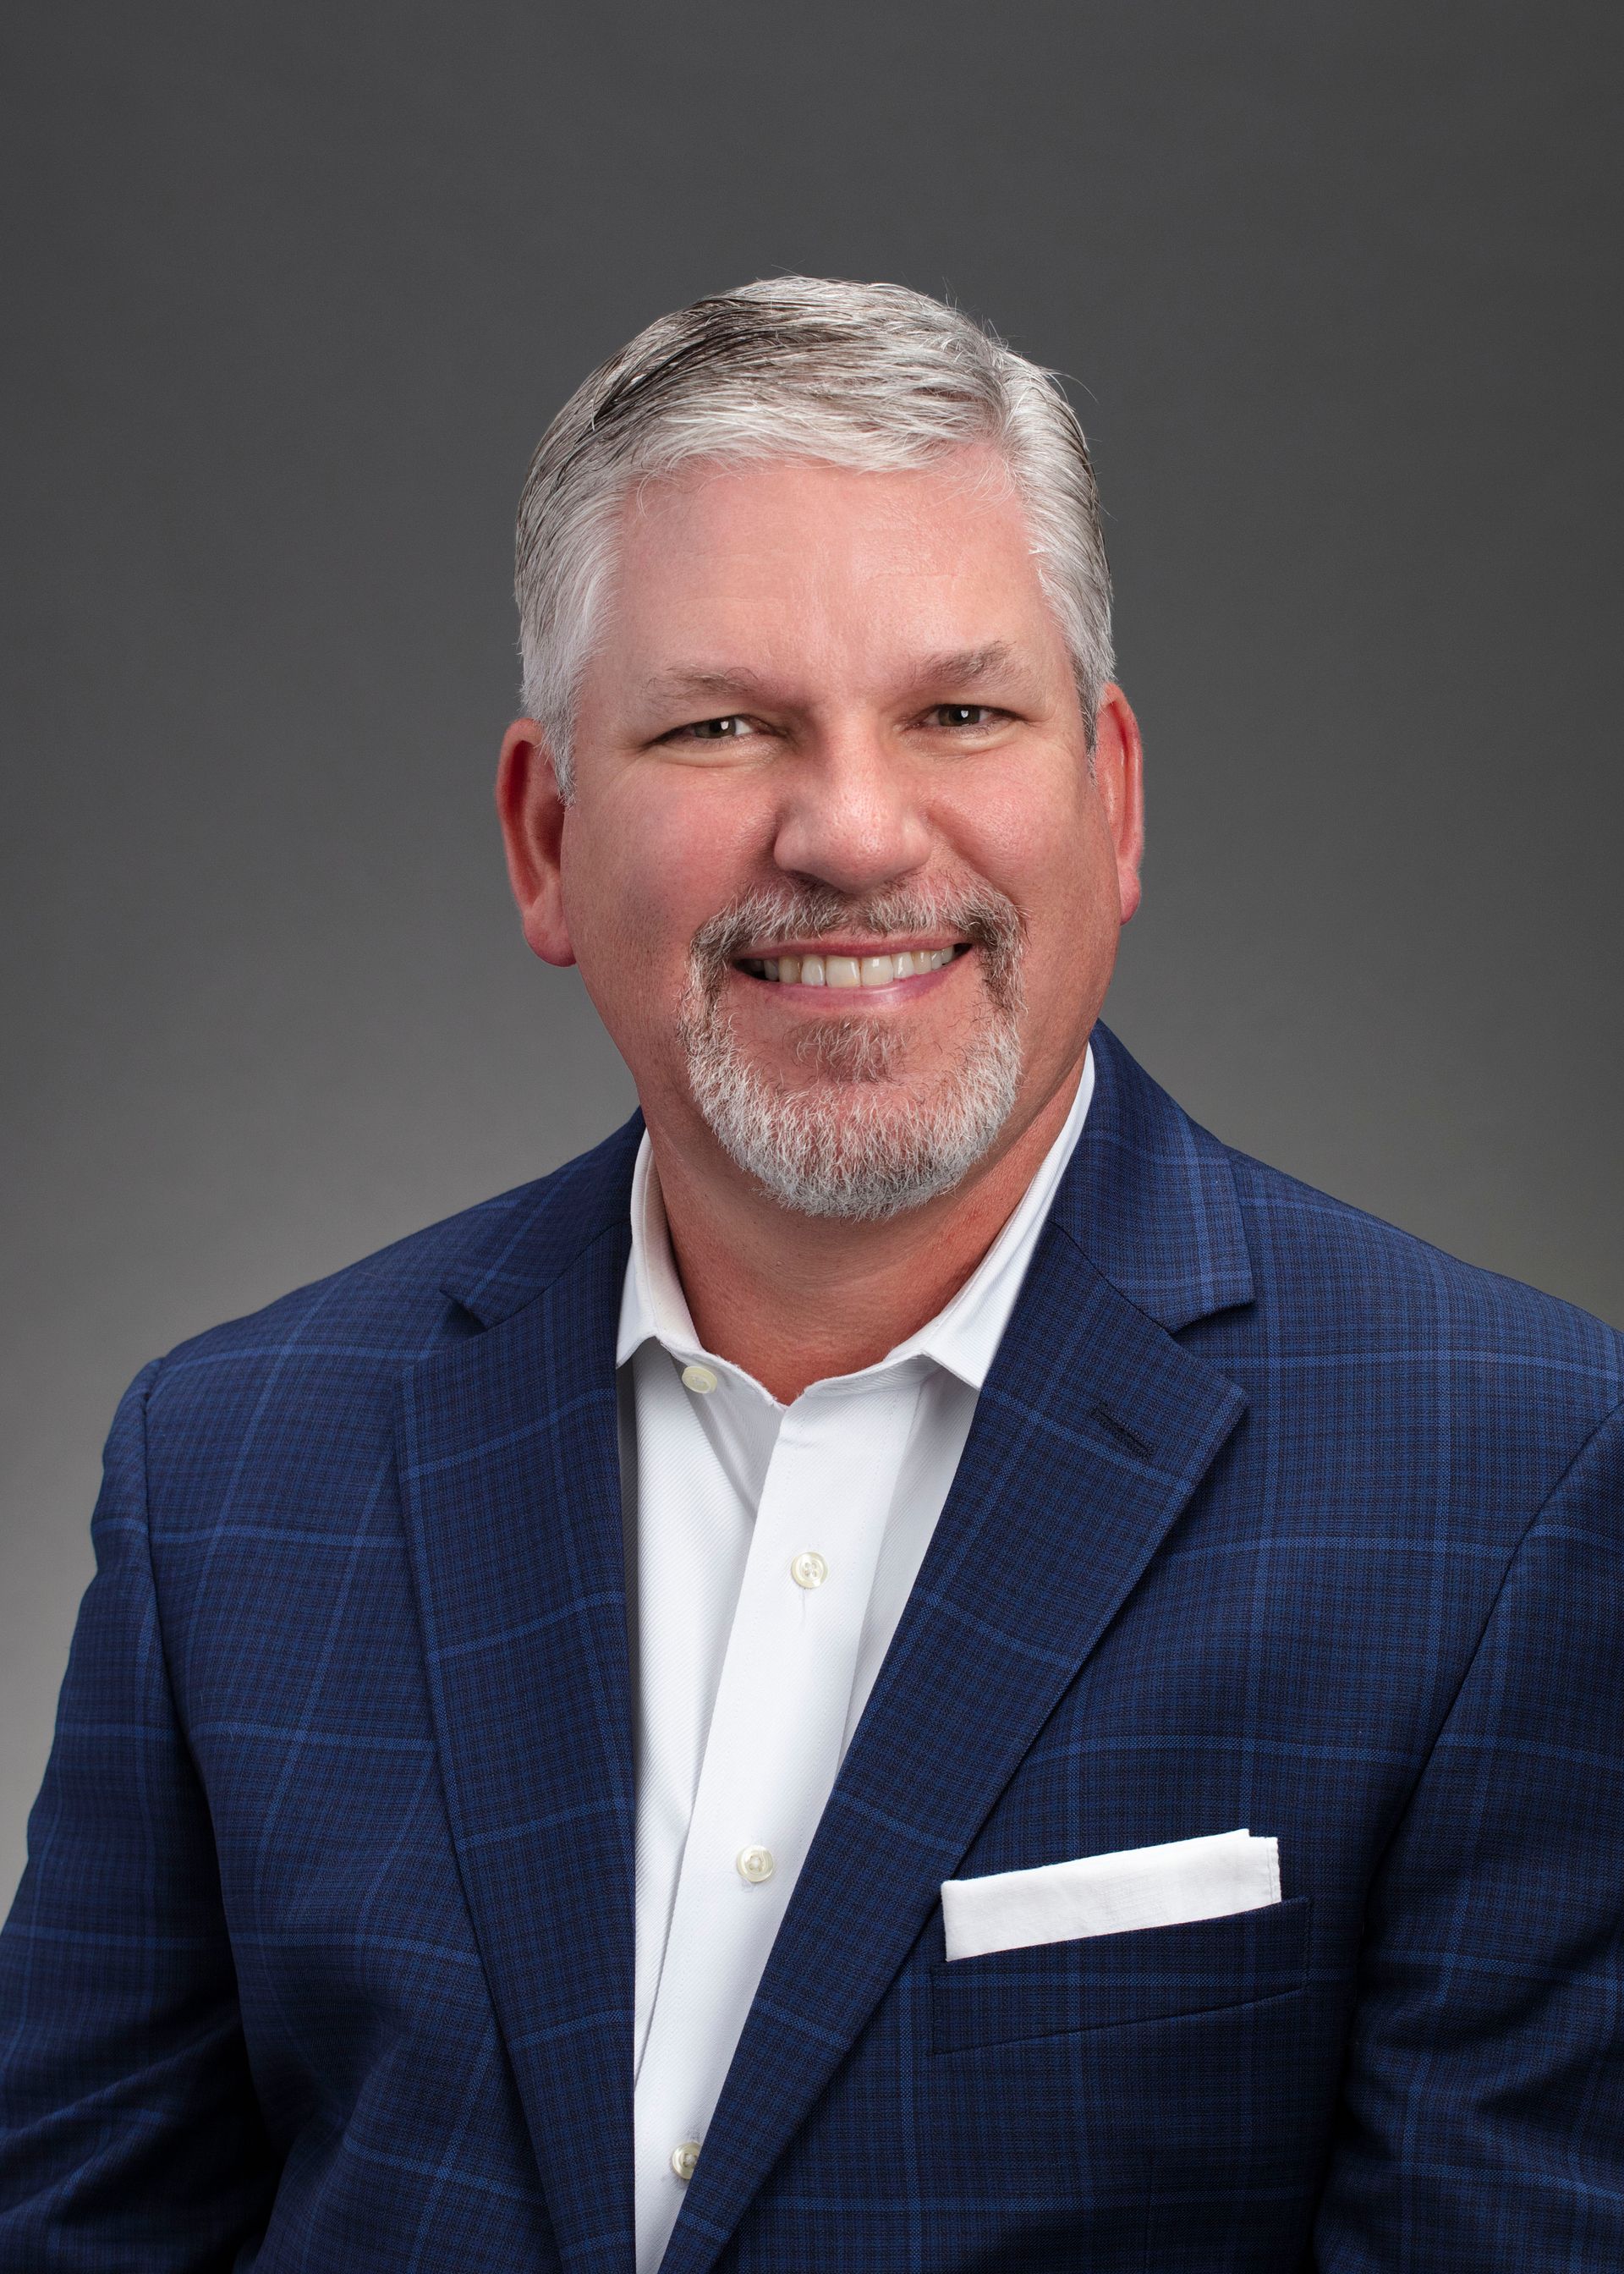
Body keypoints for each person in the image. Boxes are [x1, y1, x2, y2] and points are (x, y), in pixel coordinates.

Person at [2, 276, 1620, 2273]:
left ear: (1109, 802)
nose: (853, 834)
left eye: (958, 711)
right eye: (721, 723)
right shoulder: (231, 1471)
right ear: (543, 837)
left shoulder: (1519, 1485)